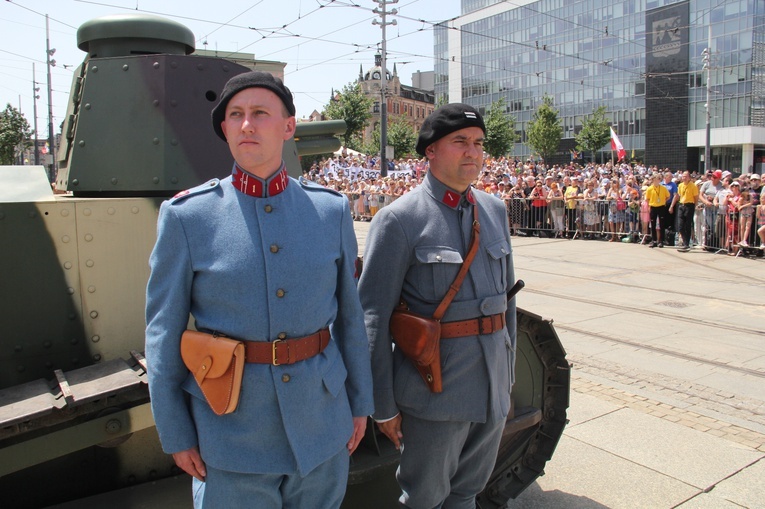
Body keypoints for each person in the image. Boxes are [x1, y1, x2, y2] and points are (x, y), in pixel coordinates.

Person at [145, 71, 374, 508]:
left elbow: (350, 318)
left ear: (288, 126)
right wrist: (175, 432)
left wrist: (359, 403)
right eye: (236, 115)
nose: (247, 124)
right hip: (231, 436)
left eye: (260, 114)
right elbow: (162, 333)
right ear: (225, 130)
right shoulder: (187, 217)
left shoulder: (330, 210)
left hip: (321, 424)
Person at [358, 104, 516, 508]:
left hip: (490, 386)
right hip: (434, 394)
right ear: (430, 151)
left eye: (478, 143)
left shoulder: (494, 211)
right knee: (425, 498)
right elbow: (372, 317)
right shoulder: (400, 219)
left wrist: (507, 377)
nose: (473, 152)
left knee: (468, 492)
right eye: (460, 142)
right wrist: (382, 406)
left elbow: (507, 306)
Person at [669, 170, 699, 252]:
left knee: (687, 225)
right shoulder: (680, 185)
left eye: (686, 176)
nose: (684, 178)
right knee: (680, 226)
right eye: (683, 176)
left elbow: (696, 198)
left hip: (689, 205)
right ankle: (684, 241)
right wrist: (672, 206)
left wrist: (695, 206)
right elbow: (677, 196)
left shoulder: (693, 186)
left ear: (689, 177)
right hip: (681, 205)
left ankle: (686, 243)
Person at [645, 173, 670, 247]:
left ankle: (661, 241)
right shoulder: (649, 189)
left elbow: (668, 196)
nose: (656, 181)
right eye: (654, 180)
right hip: (653, 207)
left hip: (661, 206)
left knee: (662, 224)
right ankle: (654, 240)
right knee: (653, 224)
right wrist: (649, 206)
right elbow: (647, 199)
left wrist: (663, 201)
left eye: (657, 180)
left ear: (659, 180)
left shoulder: (663, 188)